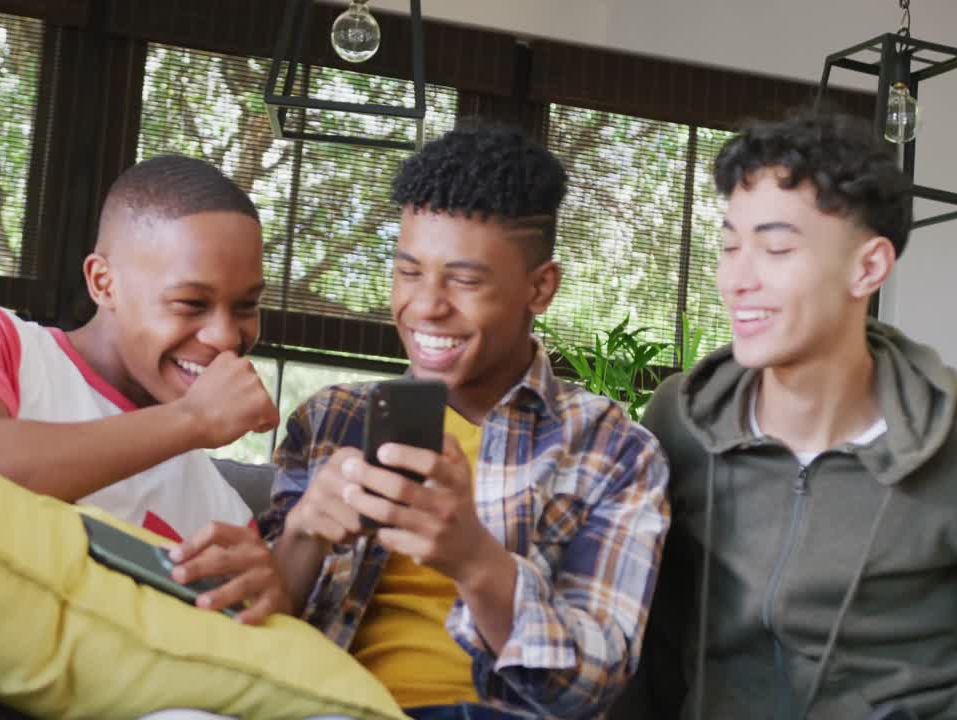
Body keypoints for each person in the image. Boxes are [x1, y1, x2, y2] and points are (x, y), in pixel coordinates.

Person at [613, 111, 957, 718]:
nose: (735, 279)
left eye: (775, 248)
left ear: (869, 268)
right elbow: (643, 642)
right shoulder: (681, 419)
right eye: (728, 245)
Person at [0, 155, 289, 719]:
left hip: (109, 701)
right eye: (190, 304)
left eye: (246, 306)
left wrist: (274, 587)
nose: (226, 336)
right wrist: (192, 420)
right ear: (104, 283)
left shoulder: (221, 510)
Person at [252, 124, 671, 719]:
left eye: (465, 280)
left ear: (540, 287)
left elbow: (591, 684)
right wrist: (302, 536)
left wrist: (475, 559)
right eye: (409, 272)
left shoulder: (614, 451)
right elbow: (252, 632)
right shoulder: (329, 420)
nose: (426, 305)